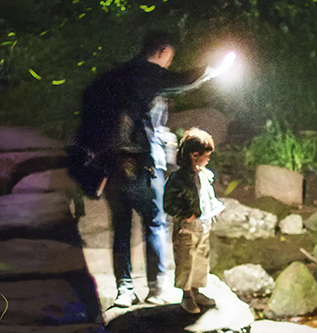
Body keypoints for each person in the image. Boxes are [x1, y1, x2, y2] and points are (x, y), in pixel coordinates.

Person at [70, 32, 213, 309]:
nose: (167, 65)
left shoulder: (114, 79)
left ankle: (125, 290)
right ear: (162, 52)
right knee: (155, 224)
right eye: (168, 58)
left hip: (112, 166)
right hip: (145, 165)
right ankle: (157, 287)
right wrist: (210, 70)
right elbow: (182, 81)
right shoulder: (148, 75)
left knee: (122, 228)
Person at [163, 127, 224, 314]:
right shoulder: (179, 178)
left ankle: (197, 290)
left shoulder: (204, 175)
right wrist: (185, 213)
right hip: (187, 228)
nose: (208, 159)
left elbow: (208, 196)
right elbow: (169, 204)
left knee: (201, 260)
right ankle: (187, 294)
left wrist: (215, 206)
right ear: (194, 155)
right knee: (186, 260)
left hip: (203, 227)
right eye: (206, 155)